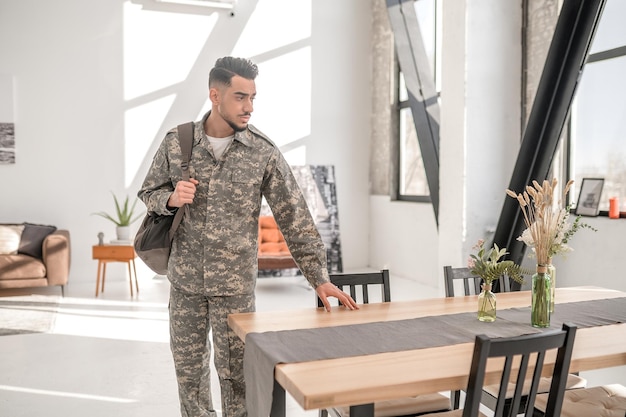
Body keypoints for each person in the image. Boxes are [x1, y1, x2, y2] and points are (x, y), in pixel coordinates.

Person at [137, 56, 358, 417]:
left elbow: (295, 216)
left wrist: (319, 278)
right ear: (215, 95)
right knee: (189, 375)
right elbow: (148, 193)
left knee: (237, 378)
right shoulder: (177, 142)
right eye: (240, 97)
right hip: (186, 282)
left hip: (235, 287)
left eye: (253, 97)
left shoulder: (263, 152)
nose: (249, 107)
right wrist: (171, 198)